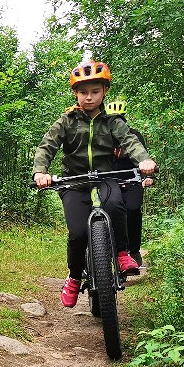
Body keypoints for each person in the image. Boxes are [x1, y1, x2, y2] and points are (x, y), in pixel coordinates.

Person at [33, 60, 157, 307]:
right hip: (74, 181)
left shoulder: (113, 122)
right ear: (75, 93)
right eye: (83, 92)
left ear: (104, 91)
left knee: (115, 205)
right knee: (78, 233)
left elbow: (130, 141)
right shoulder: (66, 121)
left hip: (105, 177)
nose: (89, 97)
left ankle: (122, 254)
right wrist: (40, 171)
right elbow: (47, 145)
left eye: (95, 92)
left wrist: (144, 160)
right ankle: (74, 276)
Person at [105, 100, 153, 267]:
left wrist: (148, 175)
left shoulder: (134, 135)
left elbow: (142, 157)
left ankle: (133, 250)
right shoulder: (103, 138)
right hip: (110, 181)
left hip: (132, 179)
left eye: (119, 120)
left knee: (132, 209)